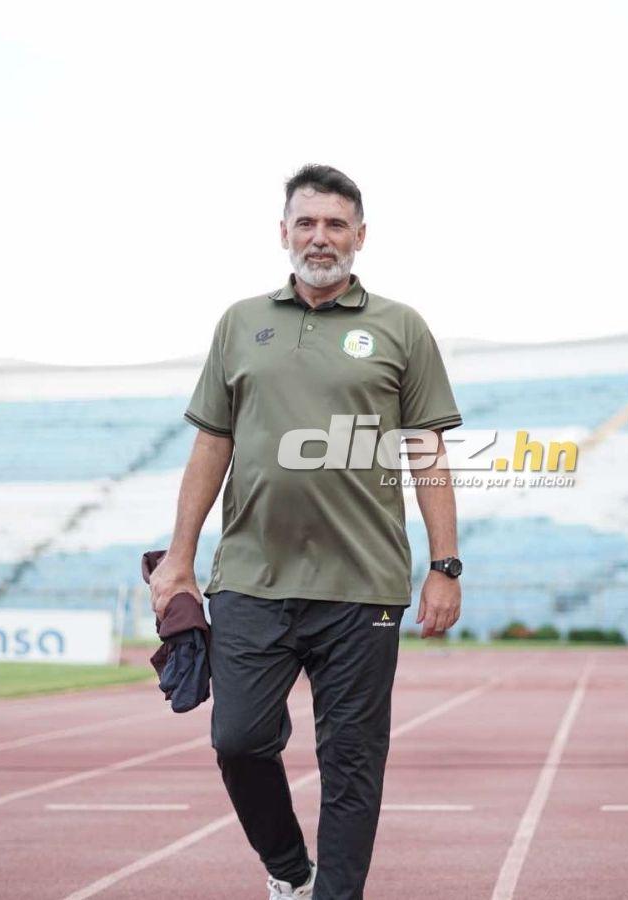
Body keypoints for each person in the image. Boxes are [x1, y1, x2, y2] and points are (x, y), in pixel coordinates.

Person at [148, 164, 464, 900]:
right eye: (307, 223)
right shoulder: (239, 323)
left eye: (335, 224)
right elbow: (211, 443)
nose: (320, 237)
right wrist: (179, 558)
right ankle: (291, 872)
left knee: (352, 763)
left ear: (361, 236)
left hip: (363, 585)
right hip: (251, 577)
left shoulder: (401, 327)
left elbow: (427, 451)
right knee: (238, 740)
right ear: (283, 232)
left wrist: (444, 564)